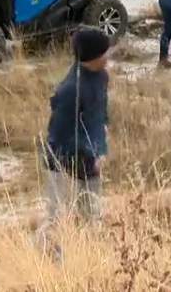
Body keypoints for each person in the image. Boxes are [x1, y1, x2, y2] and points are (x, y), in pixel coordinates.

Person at [44, 28, 111, 227]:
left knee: (91, 212)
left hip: (88, 157)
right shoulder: (70, 89)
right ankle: (44, 252)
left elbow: (100, 113)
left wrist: (101, 147)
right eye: (104, 52)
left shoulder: (101, 77)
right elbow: (59, 133)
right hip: (60, 158)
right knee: (55, 217)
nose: (107, 56)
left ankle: (90, 250)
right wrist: (92, 153)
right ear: (92, 56)